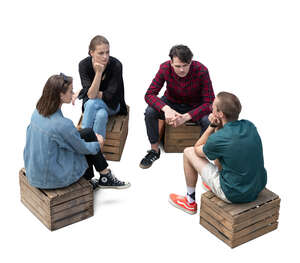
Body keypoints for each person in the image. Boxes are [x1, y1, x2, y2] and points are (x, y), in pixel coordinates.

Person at [24, 74, 130, 190]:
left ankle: (104, 175)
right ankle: (97, 178)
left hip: (35, 171)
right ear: (60, 95)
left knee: (88, 133)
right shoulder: (63, 124)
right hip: (51, 178)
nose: (73, 94)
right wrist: (98, 144)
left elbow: (68, 137)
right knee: (91, 142)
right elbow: (82, 148)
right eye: (70, 91)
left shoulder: (38, 112)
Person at [169, 92, 267, 214]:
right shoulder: (249, 125)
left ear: (220, 114)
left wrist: (212, 126)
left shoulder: (220, 138)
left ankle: (189, 201)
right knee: (223, 154)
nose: (211, 108)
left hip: (234, 194)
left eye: (213, 107)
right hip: (257, 187)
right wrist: (218, 127)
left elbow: (197, 149)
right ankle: (214, 184)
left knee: (188, 152)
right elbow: (221, 148)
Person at [140, 44, 215, 169]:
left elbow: (209, 103)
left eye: (185, 65)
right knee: (150, 112)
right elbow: (149, 95)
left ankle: (199, 154)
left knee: (208, 120)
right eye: (178, 66)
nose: (181, 70)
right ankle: (154, 150)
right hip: (170, 102)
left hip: (194, 105)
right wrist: (166, 109)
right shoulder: (164, 68)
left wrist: (187, 117)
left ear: (191, 62)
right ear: (171, 62)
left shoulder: (202, 70)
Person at [73, 35, 128, 143]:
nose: (105, 57)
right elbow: (91, 95)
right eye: (101, 53)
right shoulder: (83, 65)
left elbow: (109, 96)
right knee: (101, 115)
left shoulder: (116, 65)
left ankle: (83, 143)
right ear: (91, 52)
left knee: (91, 103)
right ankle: (97, 152)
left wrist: (86, 91)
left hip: (112, 105)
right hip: (96, 107)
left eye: (107, 52)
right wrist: (98, 73)